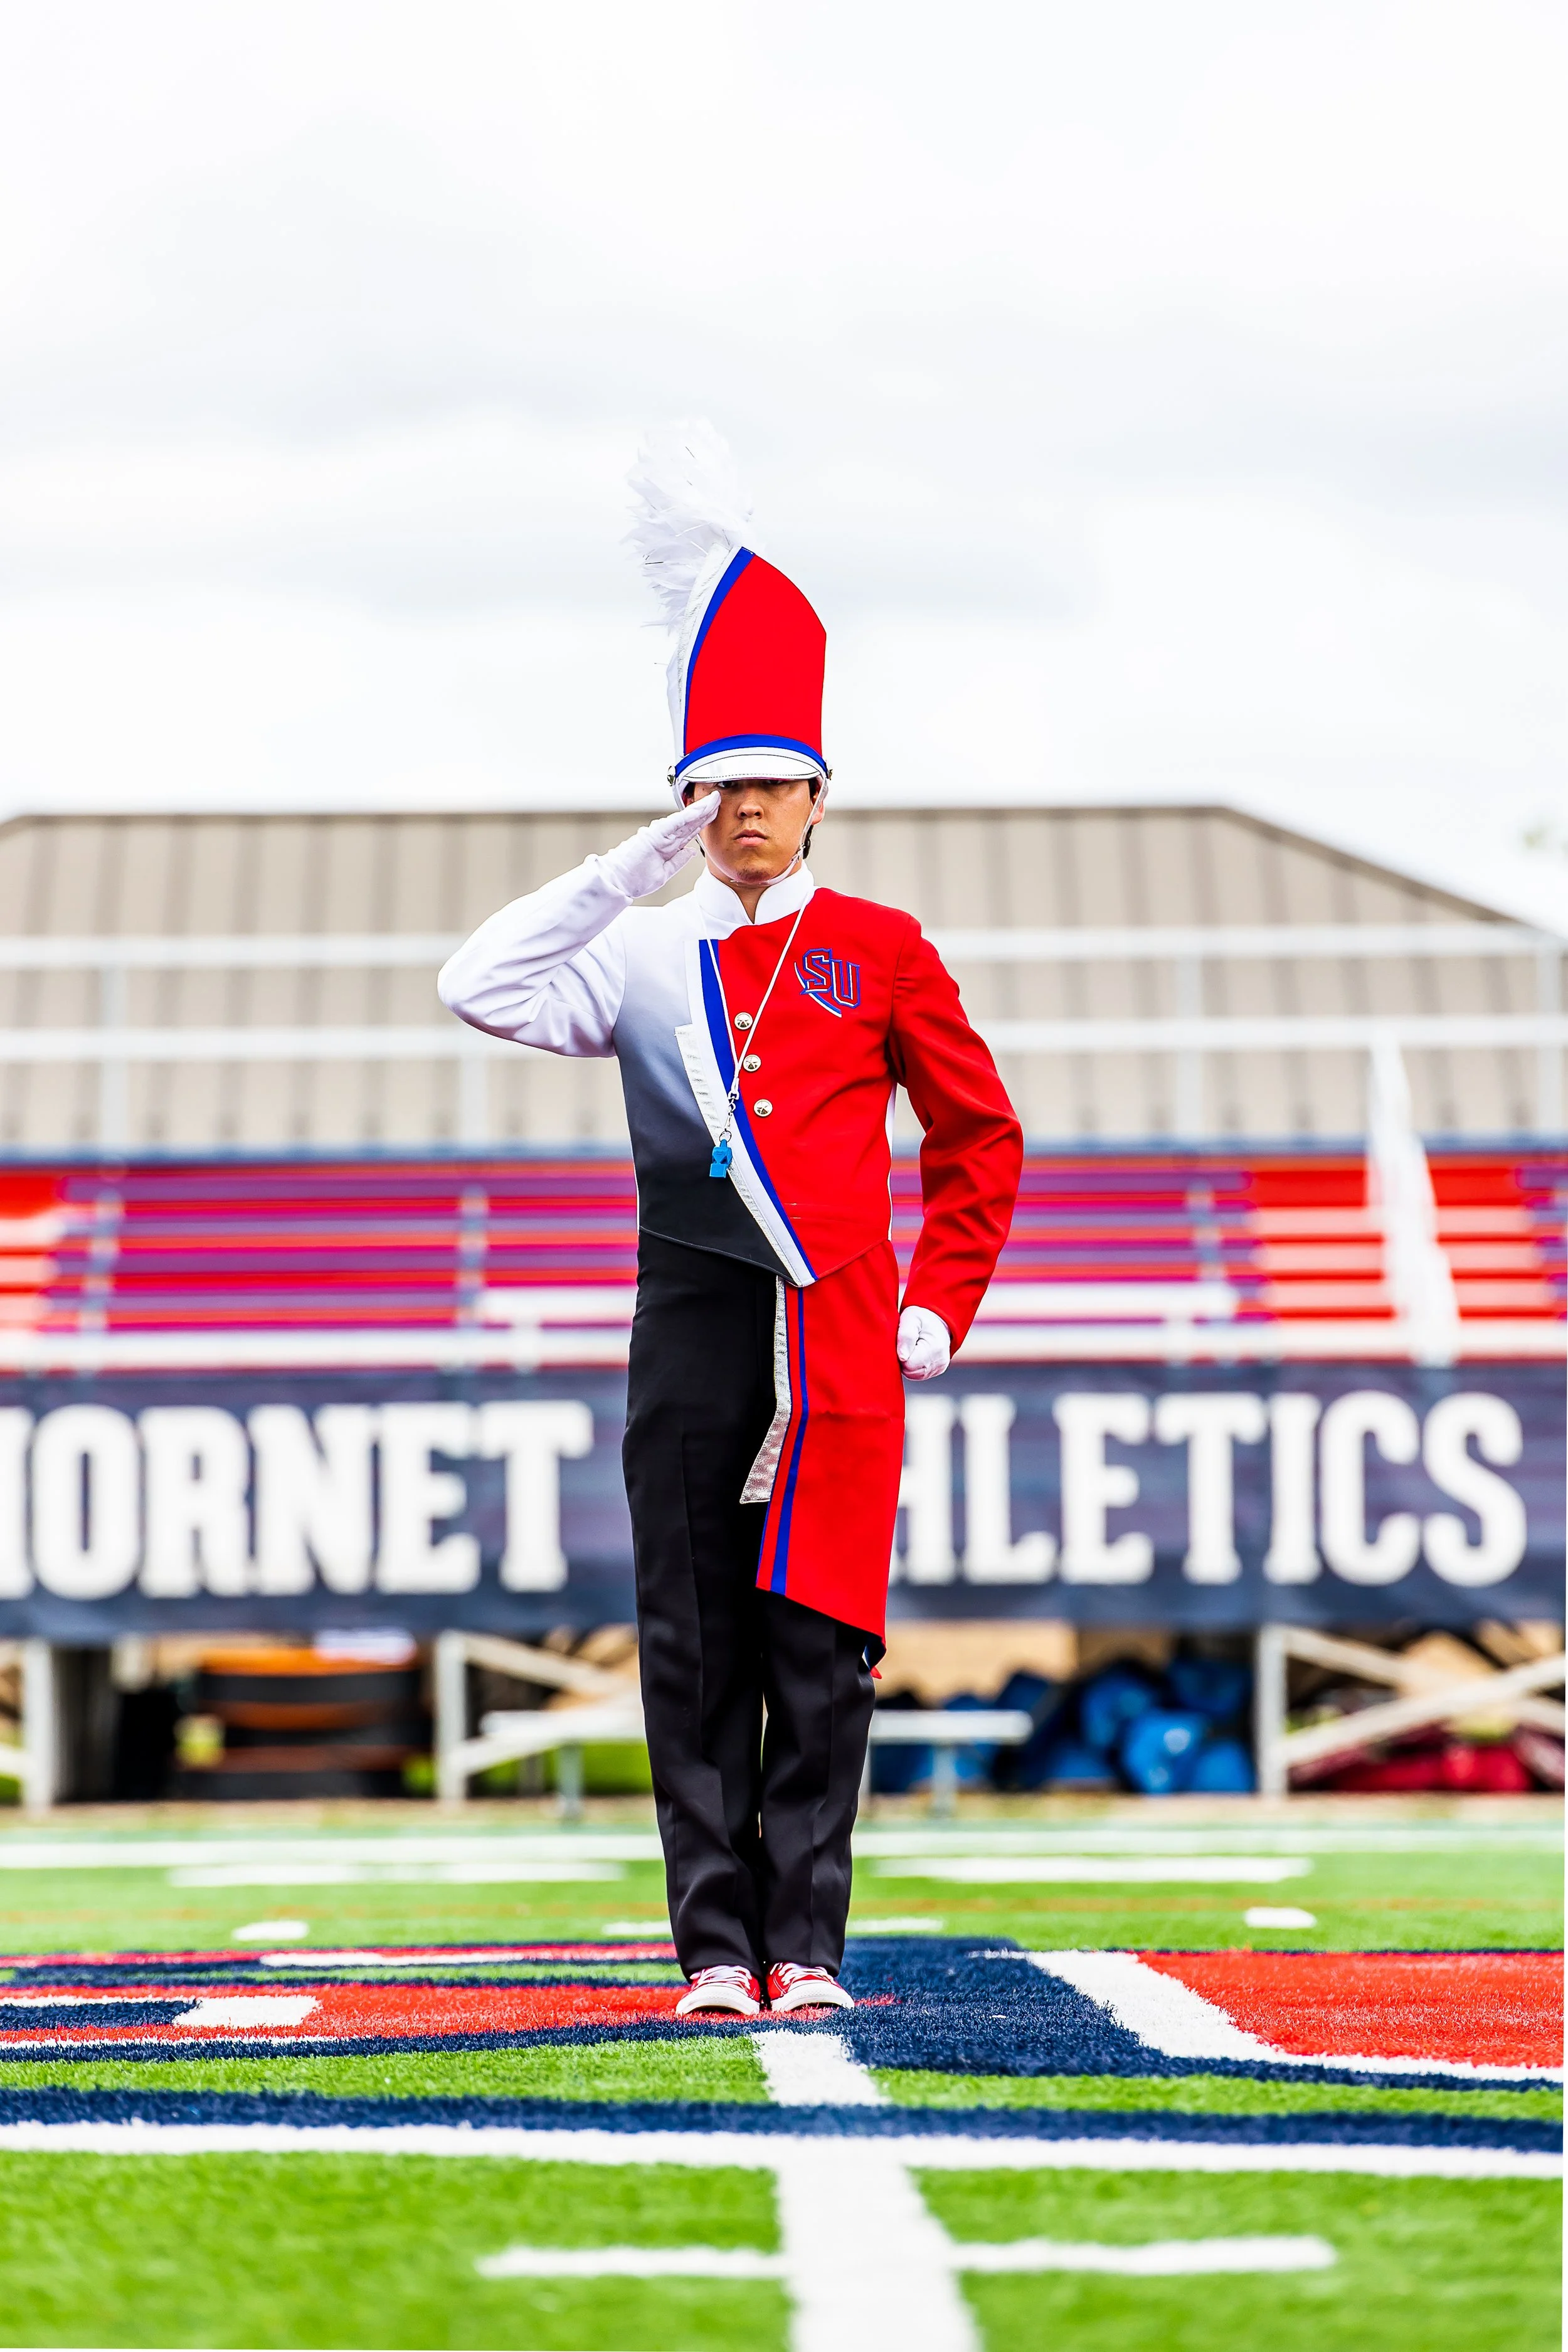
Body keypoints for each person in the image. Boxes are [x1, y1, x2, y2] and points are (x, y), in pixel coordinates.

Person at [439, 425, 1022, 2016]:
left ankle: (807, 1949)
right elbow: (474, 985)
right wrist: (617, 873)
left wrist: (941, 1301)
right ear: (682, 801)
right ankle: (712, 1950)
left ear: (818, 792)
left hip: (840, 1324)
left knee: (821, 1648)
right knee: (691, 1640)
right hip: (690, 1313)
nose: (744, 812)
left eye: (768, 784)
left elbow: (980, 1133)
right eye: (714, 789)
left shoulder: (883, 944)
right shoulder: (633, 954)